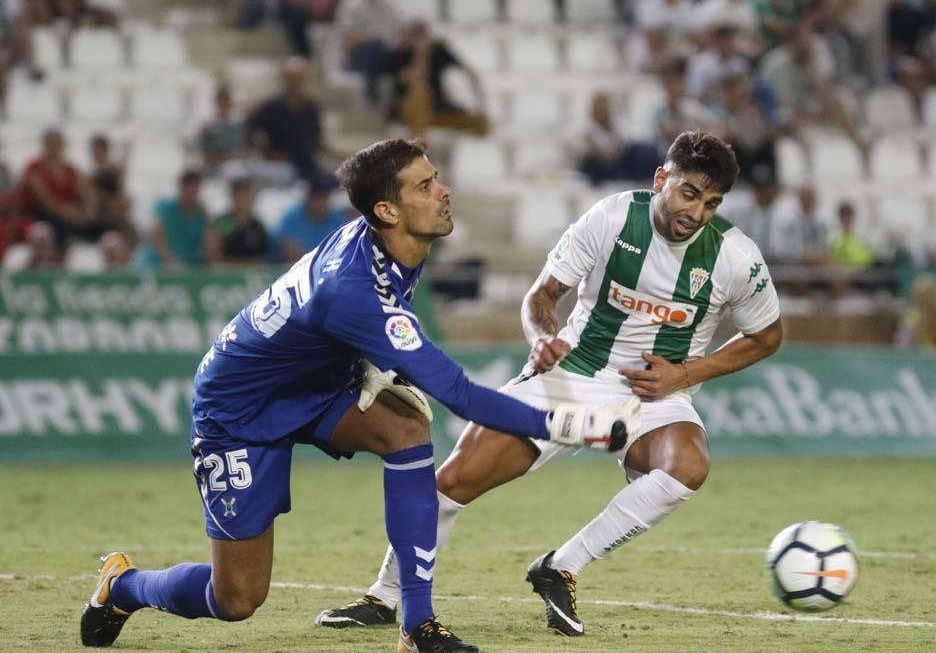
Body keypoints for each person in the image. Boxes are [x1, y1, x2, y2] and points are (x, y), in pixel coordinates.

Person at [80, 138, 639, 653]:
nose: (443, 191)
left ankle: (416, 623)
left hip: (317, 386)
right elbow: (461, 395)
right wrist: (571, 424)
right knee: (238, 600)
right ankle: (123, 587)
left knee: (406, 430)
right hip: (239, 411)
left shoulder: (388, 246)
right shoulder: (356, 292)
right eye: (424, 186)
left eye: (437, 177)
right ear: (387, 211)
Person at [317, 132, 783, 637]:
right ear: (660, 180)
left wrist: (686, 374)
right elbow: (542, 297)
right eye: (689, 194)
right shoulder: (611, 219)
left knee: (686, 466)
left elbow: (766, 336)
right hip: (570, 377)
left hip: (654, 394)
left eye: (711, 203)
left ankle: (560, 566)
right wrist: (542, 337)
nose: (697, 212)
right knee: (452, 485)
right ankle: (385, 596)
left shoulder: (735, 256)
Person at [384, 20, 490, 138]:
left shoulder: (438, 50)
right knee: (420, 94)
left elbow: (468, 70)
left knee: (480, 121)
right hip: (406, 110)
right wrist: (421, 55)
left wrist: (478, 96)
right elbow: (416, 78)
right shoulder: (401, 53)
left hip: (437, 108)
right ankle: (418, 143)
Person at [274, 174, 351, 263]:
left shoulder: (337, 219)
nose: (321, 202)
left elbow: (343, 250)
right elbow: (290, 252)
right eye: (317, 197)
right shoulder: (292, 217)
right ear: (308, 197)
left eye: (325, 197)